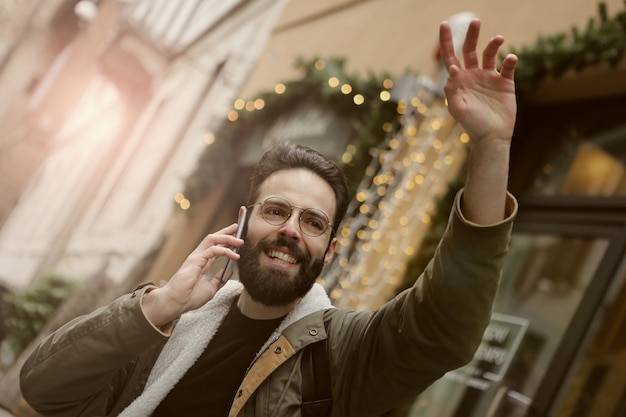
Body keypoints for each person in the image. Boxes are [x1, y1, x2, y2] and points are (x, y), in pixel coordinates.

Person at [20, 19, 518, 417]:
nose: (290, 230)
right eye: (276, 211)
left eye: (313, 222)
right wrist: (164, 302)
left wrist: (491, 147)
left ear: (331, 249)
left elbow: (444, 327)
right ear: (242, 222)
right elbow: (41, 388)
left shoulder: (343, 352)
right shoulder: (165, 325)